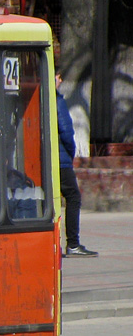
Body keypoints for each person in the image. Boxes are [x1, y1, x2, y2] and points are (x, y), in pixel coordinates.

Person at [56, 73, 98, 257]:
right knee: (73, 197)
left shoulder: (39, 99)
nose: (60, 80)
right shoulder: (57, 101)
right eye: (58, 76)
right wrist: (71, 152)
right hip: (61, 161)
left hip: (46, 160)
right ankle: (73, 244)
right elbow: (66, 132)